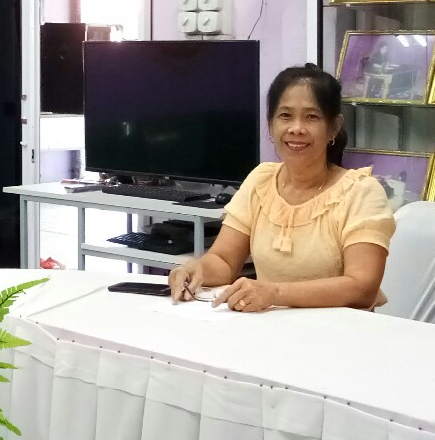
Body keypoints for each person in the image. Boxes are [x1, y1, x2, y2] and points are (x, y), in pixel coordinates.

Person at [168, 65, 394, 312]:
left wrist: (275, 293)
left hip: (341, 331)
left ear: (333, 127)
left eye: (312, 117)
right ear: (270, 124)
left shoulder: (361, 192)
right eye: (285, 116)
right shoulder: (261, 180)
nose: (296, 128)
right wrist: (195, 269)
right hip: (272, 327)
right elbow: (224, 260)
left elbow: (362, 288)